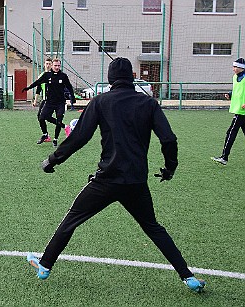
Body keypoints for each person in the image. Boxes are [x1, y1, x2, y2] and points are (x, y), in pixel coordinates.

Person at [26, 57, 206, 293]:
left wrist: (52, 160)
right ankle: (188, 276)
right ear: (132, 77)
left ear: (110, 79)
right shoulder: (148, 103)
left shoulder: (100, 102)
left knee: (71, 220)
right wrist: (169, 168)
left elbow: (79, 137)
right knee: (153, 227)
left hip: (106, 180)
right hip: (136, 182)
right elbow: (169, 139)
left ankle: (45, 265)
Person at [23, 58, 75, 147]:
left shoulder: (63, 76)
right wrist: (28, 88)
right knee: (42, 117)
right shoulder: (46, 75)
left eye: (58, 65)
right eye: (55, 65)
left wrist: (72, 97)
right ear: (52, 66)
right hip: (49, 102)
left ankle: (55, 139)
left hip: (60, 103)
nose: (57, 67)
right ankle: (45, 134)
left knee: (59, 120)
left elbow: (69, 87)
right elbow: (38, 83)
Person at [211, 58, 245, 165]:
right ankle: (224, 157)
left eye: (237, 67)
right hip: (238, 109)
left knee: (231, 132)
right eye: (234, 66)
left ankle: (224, 157)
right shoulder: (235, 77)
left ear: (242, 68)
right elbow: (236, 89)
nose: (234, 69)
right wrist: (230, 94)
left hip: (242, 110)